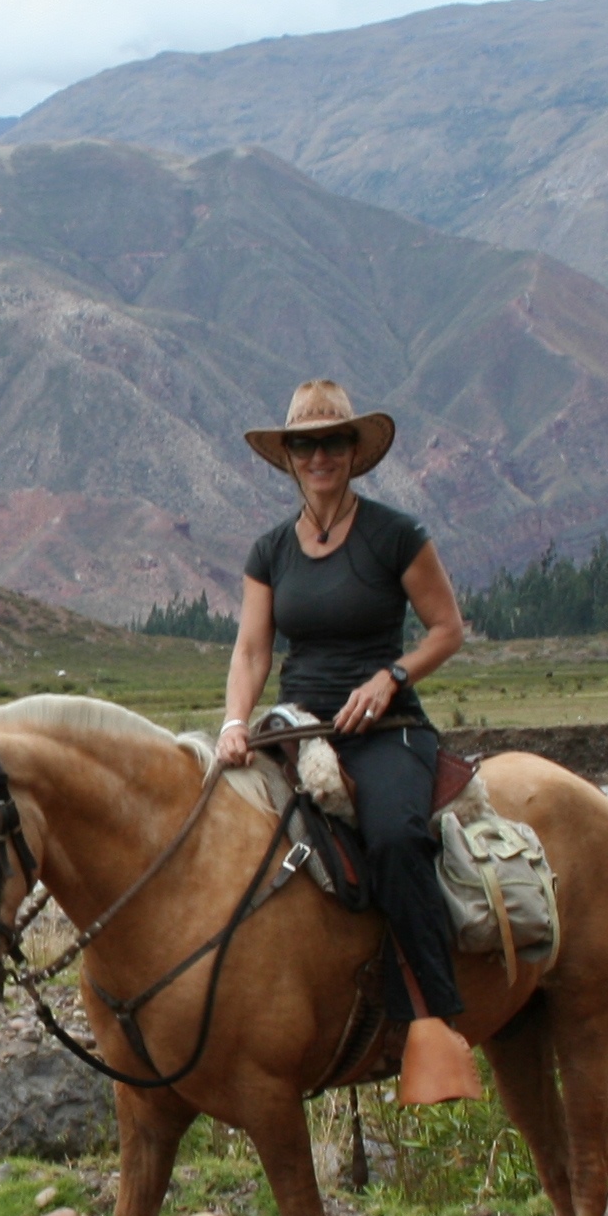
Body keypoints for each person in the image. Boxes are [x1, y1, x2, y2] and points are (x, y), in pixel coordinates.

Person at [211, 381, 477, 1105]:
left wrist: (390, 677)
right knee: (229, 833)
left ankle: (432, 1021)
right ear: (289, 457)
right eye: (305, 443)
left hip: (386, 730)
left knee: (393, 837)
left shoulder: (396, 534)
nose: (319, 455)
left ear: (354, 452)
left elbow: (448, 629)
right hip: (297, 725)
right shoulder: (269, 551)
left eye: (332, 442)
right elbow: (251, 651)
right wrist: (235, 722)